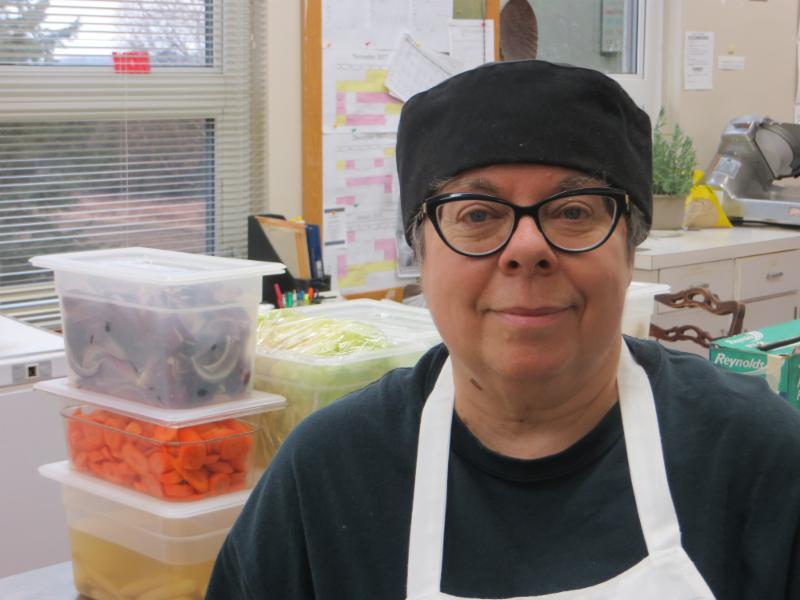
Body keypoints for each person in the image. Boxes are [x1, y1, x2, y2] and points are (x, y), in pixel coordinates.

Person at [206, 60, 800, 599]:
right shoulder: (328, 474)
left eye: (574, 211)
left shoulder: (756, 456)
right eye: (477, 214)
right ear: (421, 256)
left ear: (630, 250)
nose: (526, 247)